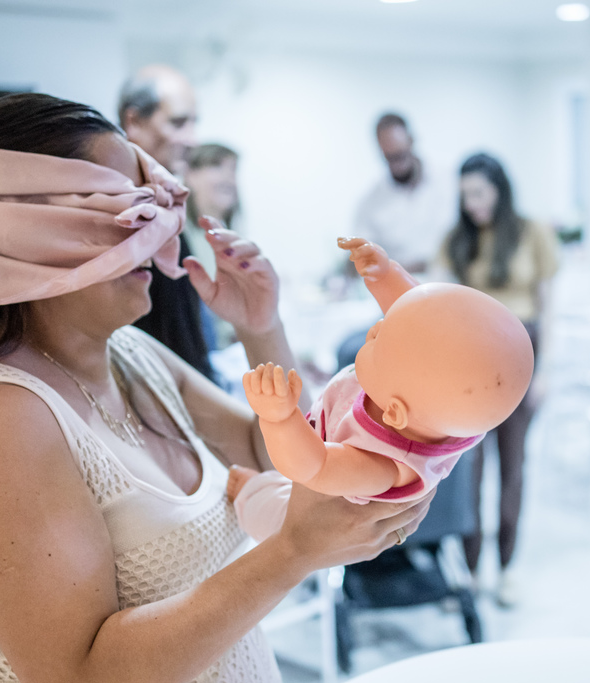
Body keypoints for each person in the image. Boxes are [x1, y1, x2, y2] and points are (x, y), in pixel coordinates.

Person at [0, 92, 430, 683]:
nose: (161, 231)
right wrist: (292, 553)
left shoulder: (131, 354)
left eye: (155, 204)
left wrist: (262, 327)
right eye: (123, 209)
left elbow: (279, 460)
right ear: (22, 231)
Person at [234, 236, 533, 542]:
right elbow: (417, 319)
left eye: (378, 342)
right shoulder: (436, 402)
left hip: (313, 502)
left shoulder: (386, 463)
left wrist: (280, 419)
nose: (376, 328)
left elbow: (314, 466)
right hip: (319, 435)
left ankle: (244, 492)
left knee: (267, 509)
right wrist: (385, 275)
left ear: (394, 411)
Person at [437, 152, 558, 607]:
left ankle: (507, 568)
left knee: (513, 466)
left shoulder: (532, 234)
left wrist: (546, 370)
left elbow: (548, 309)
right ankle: (467, 572)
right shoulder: (458, 239)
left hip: (522, 356)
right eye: (465, 195)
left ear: (500, 190)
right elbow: (442, 300)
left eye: (479, 193)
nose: (472, 204)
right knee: (469, 468)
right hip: (472, 361)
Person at [118, 64, 215, 381]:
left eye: (193, 123)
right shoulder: (126, 208)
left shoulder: (162, 200)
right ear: (133, 121)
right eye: (178, 123)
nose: (192, 138)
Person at [352, 113, 456, 275]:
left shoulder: (448, 181)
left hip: (450, 280)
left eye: (400, 155)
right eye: (390, 158)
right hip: (400, 286)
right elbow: (361, 256)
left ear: (411, 141)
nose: (397, 165)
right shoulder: (370, 203)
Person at [184, 143, 241, 351]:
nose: (229, 178)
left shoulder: (230, 234)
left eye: (233, 170)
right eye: (217, 166)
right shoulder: (180, 235)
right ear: (190, 174)